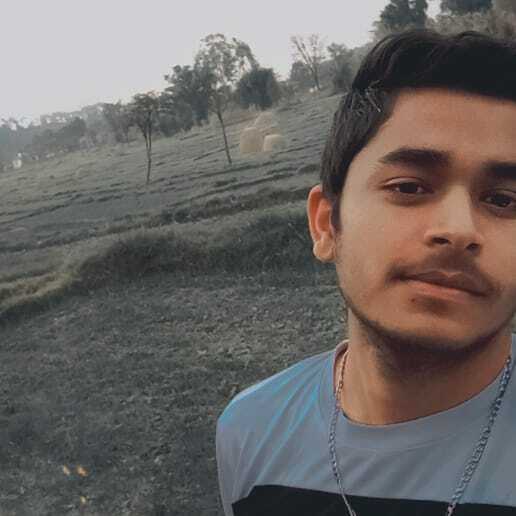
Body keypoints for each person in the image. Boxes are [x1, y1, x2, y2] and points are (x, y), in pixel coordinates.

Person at [216, 29, 516, 515]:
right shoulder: (250, 429)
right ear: (326, 224)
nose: (459, 230)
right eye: (409, 187)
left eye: (503, 200)